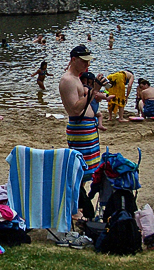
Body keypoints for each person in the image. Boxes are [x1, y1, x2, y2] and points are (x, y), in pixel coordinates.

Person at [59, 44, 103, 219]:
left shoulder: (77, 78)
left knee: (87, 171)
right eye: (84, 61)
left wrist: (96, 91)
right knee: (78, 170)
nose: (87, 66)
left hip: (88, 127)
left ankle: (79, 204)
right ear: (73, 60)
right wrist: (93, 93)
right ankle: (74, 208)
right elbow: (75, 109)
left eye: (88, 62)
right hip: (80, 128)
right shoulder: (68, 80)